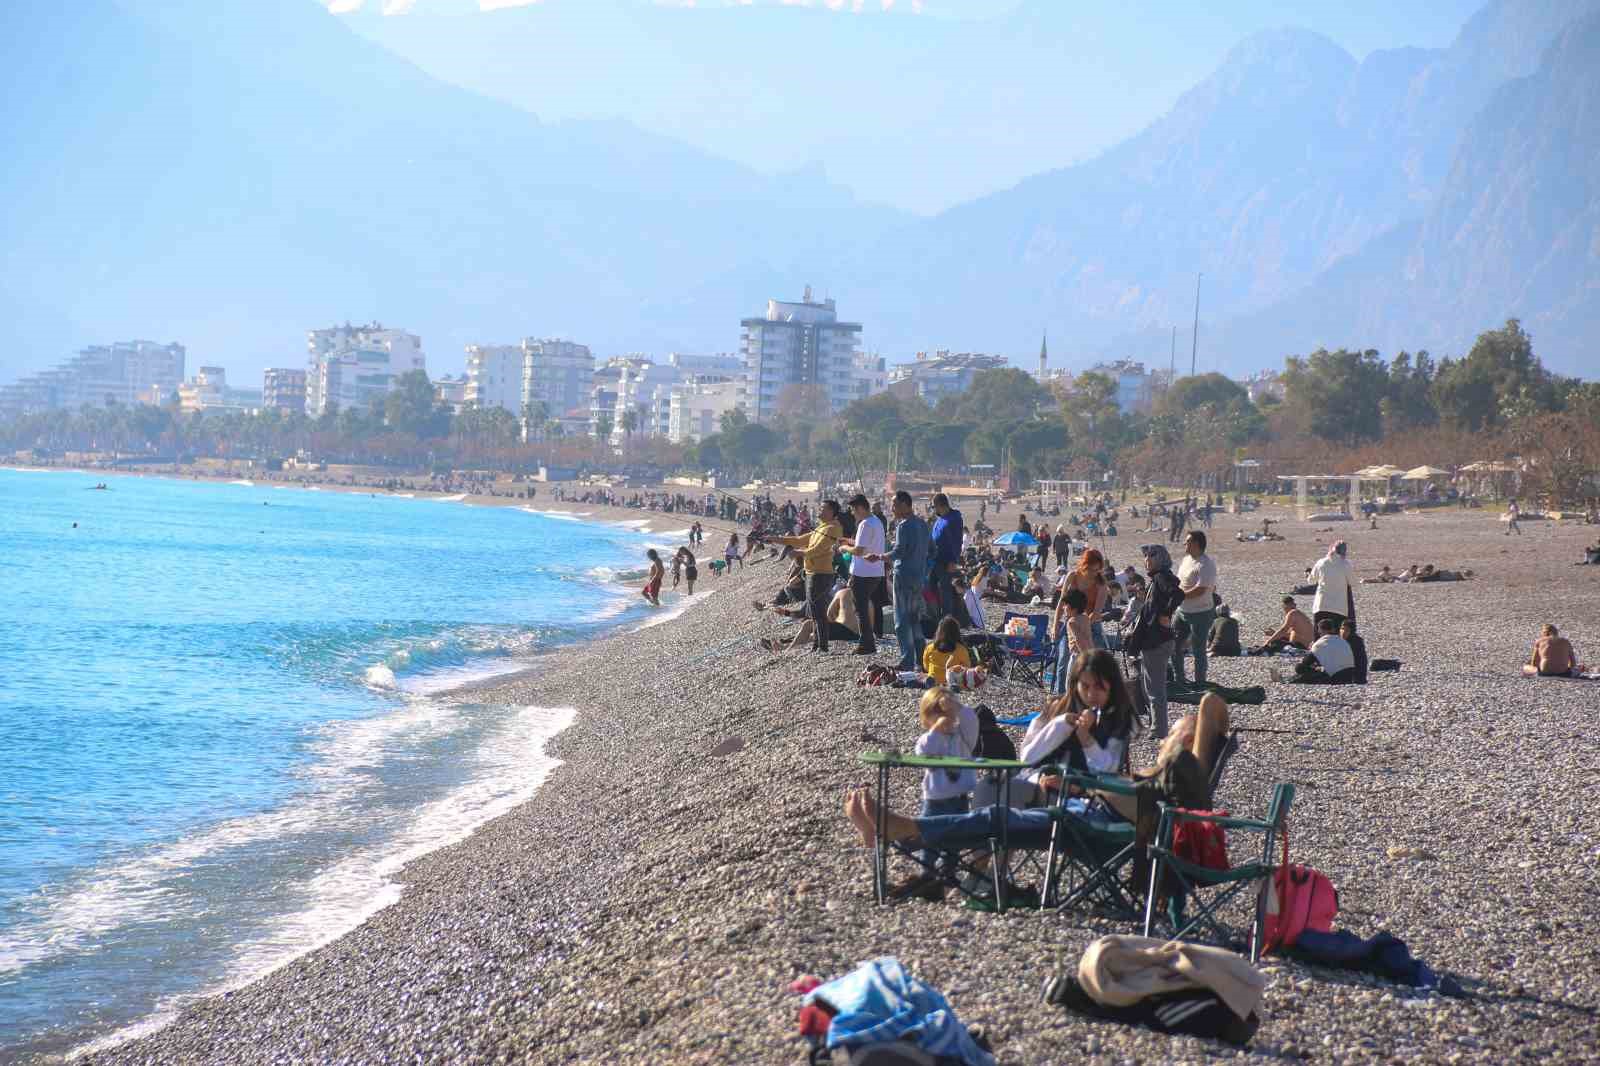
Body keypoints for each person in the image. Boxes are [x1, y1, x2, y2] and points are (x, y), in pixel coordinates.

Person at [844, 651, 1136, 853]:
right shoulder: (1057, 709)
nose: (1091, 694)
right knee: (991, 787)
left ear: (1112, 688)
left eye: (1100, 688)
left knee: (997, 814)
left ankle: (902, 834)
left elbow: (1108, 771)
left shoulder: (1118, 721)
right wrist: (1061, 725)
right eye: (1085, 686)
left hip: (1084, 800)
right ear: (1075, 685)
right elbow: (1028, 757)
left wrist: (1085, 740)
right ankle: (977, 875)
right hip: (1041, 785)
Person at [900, 687, 979, 897]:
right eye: (938, 712)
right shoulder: (929, 738)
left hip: (959, 796)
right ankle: (927, 871)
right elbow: (923, 751)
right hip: (935, 797)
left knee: (954, 839)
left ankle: (949, 871)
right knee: (930, 835)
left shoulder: (963, 736)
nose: (945, 717)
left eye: (948, 714)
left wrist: (955, 707)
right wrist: (936, 729)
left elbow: (971, 719)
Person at [1126, 544, 1185, 739]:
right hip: (1154, 641)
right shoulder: (1157, 579)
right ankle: (1155, 725)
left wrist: (1166, 613)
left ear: (1160, 559)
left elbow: (1178, 594)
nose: (1147, 560)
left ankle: (1159, 730)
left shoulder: (1161, 577)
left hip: (1157, 641)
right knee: (1148, 685)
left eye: (1151, 556)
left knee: (1155, 687)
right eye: (1145, 556)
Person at [868, 490, 930, 672]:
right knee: (915, 619)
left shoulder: (904, 526)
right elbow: (930, 550)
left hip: (903, 577)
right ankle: (922, 660)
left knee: (901, 621)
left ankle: (907, 661)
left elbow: (898, 552)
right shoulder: (922, 524)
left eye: (894, 505)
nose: (892, 508)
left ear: (904, 505)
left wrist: (879, 557)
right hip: (918, 578)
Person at [774, 499, 844, 652]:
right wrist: (776, 539)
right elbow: (799, 540)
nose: (819, 510)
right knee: (814, 610)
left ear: (832, 511)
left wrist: (798, 553)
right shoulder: (822, 527)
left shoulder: (833, 528)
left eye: (823, 508)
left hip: (821, 574)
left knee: (818, 611)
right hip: (812, 573)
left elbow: (818, 549)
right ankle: (817, 646)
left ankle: (822, 647)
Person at [840, 493, 886, 656]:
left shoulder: (865, 524)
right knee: (863, 607)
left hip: (863, 573)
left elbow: (859, 551)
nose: (852, 513)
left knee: (861, 609)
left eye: (853, 509)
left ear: (860, 507)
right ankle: (868, 642)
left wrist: (844, 548)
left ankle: (866, 644)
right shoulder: (876, 521)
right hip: (875, 572)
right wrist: (848, 541)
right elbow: (865, 545)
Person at [1174, 530, 1218, 685]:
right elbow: (1179, 582)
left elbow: (1200, 590)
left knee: (1198, 650)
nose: (1184, 544)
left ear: (1196, 544)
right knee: (1174, 644)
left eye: (1187, 541)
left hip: (1201, 613)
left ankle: (1200, 683)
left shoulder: (1206, 564)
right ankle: (1179, 679)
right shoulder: (1186, 559)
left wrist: (1179, 596)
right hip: (1182, 611)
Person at [930, 494, 972, 627]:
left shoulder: (954, 519)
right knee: (931, 589)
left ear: (939, 505)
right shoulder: (939, 519)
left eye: (934, 506)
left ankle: (946, 622)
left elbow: (956, 540)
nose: (933, 509)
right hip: (934, 560)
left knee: (946, 591)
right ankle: (936, 616)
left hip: (946, 561)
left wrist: (953, 561)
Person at [1050, 587, 1093, 696]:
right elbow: (1088, 638)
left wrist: (1084, 656)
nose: (1063, 608)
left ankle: (1070, 705)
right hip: (1089, 652)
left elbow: (1079, 639)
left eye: (1065, 605)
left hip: (1077, 656)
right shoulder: (1086, 618)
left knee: (1070, 684)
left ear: (1071, 608)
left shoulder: (1071, 622)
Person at [1286, 618, 1357, 684]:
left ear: (1320, 630)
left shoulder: (1320, 643)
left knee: (1299, 668)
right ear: (1333, 629)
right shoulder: (1343, 641)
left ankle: (1288, 681)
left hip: (1335, 678)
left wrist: (1312, 650)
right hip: (1349, 676)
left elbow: (1305, 663)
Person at [1310, 540, 1354, 628]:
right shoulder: (1346, 564)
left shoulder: (1321, 562)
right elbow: (1352, 582)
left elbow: (1311, 580)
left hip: (1321, 605)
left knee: (1319, 635)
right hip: (1339, 608)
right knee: (1335, 635)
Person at [922, 616, 973, 685]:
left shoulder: (930, 647)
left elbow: (926, 666)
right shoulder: (961, 650)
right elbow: (967, 668)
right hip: (952, 680)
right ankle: (951, 684)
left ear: (938, 631)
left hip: (933, 678)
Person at [1341, 619, 1368, 684]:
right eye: (1342, 629)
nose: (1343, 632)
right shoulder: (1344, 641)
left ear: (1352, 631)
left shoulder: (1355, 642)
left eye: (1346, 630)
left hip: (1356, 676)